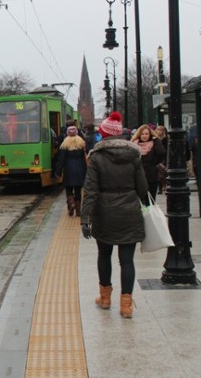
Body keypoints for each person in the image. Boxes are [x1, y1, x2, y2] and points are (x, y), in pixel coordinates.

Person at [80, 111, 148, 319]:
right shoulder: (134, 156)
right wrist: (144, 207)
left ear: (103, 135)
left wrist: (85, 219)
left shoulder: (96, 157)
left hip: (105, 213)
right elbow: (143, 189)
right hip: (129, 211)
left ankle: (105, 298)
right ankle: (126, 305)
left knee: (104, 255)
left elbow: (90, 190)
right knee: (127, 261)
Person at [55, 126, 87, 217]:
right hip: (80, 168)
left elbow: (61, 160)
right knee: (78, 189)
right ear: (76, 132)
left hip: (69, 169)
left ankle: (71, 203)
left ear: (67, 133)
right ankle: (78, 211)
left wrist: (58, 171)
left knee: (68, 188)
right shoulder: (81, 142)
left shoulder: (65, 143)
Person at [131, 124, 166, 200]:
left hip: (151, 176)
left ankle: (149, 211)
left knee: (151, 199)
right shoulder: (134, 144)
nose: (144, 136)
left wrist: (156, 139)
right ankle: (145, 210)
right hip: (138, 176)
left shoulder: (154, 143)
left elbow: (162, 153)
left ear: (150, 134)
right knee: (141, 199)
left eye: (146, 134)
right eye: (142, 134)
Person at [154, 125, 168, 194]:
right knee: (159, 174)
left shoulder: (166, 139)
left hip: (164, 158)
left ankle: (164, 185)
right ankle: (160, 188)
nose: (159, 131)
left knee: (164, 173)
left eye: (161, 130)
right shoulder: (155, 139)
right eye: (158, 130)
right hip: (158, 158)